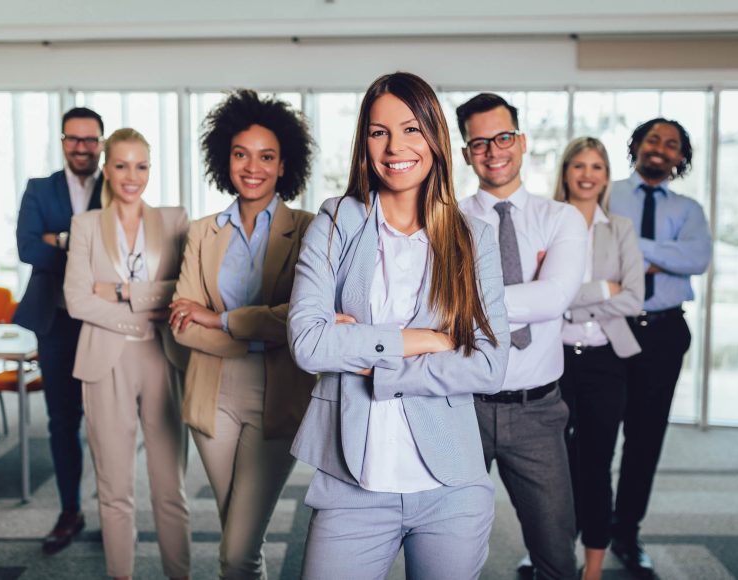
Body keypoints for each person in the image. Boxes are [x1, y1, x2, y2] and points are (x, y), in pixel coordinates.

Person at [288, 72, 510, 580]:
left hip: (451, 484)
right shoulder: (337, 220)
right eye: (378, 131)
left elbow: (490, 365)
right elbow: (308, 342)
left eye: (411, 129)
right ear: (364, 143)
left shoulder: (474, 237)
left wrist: (376, 365)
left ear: (434, 137)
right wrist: (426, 341)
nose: (395, 147)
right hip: (351, 481)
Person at [169, 89, 316, 579]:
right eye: (240, 154)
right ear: (224, 160)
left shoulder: (311, 229)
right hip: (212, 395)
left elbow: (299, 320)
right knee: (239, 537)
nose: (252, 167)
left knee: (236, 548)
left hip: (278, 398)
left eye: (266, 156)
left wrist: (219, 318)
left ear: (283, 165)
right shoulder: (202, 231)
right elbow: (183, 325)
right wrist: (260, 328)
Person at [457, 93, 585, 580]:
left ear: (522, 141)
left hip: (537, 412)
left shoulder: (560, 219)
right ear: (468, 152)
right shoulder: (448, 221)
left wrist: (469, 300)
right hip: (459, 406)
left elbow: (553, 299)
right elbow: (434, 307)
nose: (494, 150)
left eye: (503, 137)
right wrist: (524, 290)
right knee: (444, 551)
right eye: (480, 142)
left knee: (556, 553)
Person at [63, 128, 191, 580]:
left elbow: (182, 289)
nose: (131, 176)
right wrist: (142, 313)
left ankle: (181, 575)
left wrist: (121, 291)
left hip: (163, 360)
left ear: (150, 169)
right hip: (105, 361)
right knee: (114, 487)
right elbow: (77, 298)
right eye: (121, 165)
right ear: (107, 168)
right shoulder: (85, 227)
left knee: (169, 488)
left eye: (141, 166)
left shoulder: (174, 220)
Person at [608, 118, 712, 576]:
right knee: (590, 436)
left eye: (672, 144)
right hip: (606, 328)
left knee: (645, 439)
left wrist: (633, 247)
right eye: (654, 139)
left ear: (680, 158)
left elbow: (698, 258)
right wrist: (660, 254)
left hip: (664, 333)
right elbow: (595, 255)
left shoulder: (689, 209)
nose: (661, 148)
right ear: (637, 146)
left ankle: (626, 532)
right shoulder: (606, 192)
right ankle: (567, 531)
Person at [13, 107, 104, 553]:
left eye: (90, 140)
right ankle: (70, 509)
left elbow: (121, 255)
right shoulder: (39, 189)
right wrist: (83, 248)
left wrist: (62, 239)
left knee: (108, 420)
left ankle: (114, 508)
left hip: (104, 322)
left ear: (101, 142)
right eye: (74, 139)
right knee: (62, 422)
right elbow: (29, 247)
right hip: (56, 321)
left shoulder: (118, 185)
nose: (82, 147)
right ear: (63, 140)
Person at [553, 137, 644, 580]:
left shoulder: (619, 227)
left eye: (597, 167)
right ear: (565, 172)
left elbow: (633, 299)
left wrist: (571, 301)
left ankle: (592, 569)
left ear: (606, 176)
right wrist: (596, 292)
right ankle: (551, 554)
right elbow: (539, 295)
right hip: (554, 360)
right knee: (555, 467)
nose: (587, 174)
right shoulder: (547, 221)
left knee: (596, 462)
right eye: (579, 166)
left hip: (607, 360)